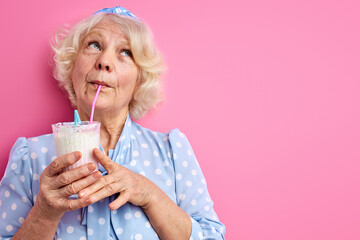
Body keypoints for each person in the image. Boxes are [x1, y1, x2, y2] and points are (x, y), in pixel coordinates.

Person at [0, 6, 225, 240]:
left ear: (140, 80)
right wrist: (44, 214)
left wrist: (150, 195)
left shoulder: (171, 151)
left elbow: (211, 237)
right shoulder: (30, 157)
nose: (104, 61)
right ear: (72, 65)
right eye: (94, 45)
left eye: (125, 52)